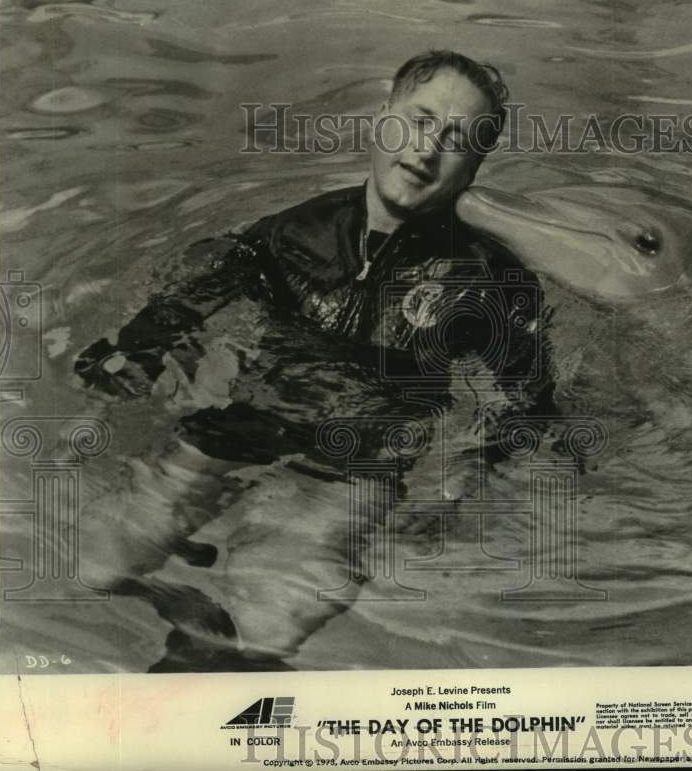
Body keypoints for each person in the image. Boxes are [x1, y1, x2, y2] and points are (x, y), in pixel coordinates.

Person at [73, 50, 555, 667]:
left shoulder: (488, 281)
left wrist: (461, 479)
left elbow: (529, 403)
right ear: (382, 119)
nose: (427, 148)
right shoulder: (294, 233)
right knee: (95, 567)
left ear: (476, 164)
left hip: (356, 465)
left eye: (457, 138)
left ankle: (211, 632)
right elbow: (191, 296)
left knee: (269, 631)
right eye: (419, 119)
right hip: (241, 425)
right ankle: (184, 599)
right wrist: (125, 368)